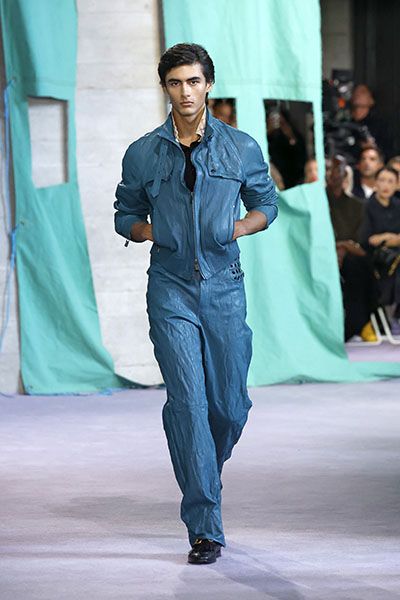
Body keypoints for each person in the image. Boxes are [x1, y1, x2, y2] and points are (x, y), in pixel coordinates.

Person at [113, 43, 278, 565]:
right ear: (164, 87)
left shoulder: (241, 147)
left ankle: (202, 466)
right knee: (187, 402)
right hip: (169, 287)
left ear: (208, 84)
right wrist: (149, 232)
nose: (184, 92)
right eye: (175, 82)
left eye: (193, 81)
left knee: (229, 406)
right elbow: (124, 213)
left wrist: (237, 227)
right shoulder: (143, 152)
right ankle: (205, 526)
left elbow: (266, 203)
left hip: (225, 285)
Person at [326, 155, 377, 341]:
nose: (333, 174)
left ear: (345, 174)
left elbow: (360, 241)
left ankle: (357, 323)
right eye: (329, 169)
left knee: (359, 264)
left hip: (351, 256)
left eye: (337, 169)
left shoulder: (357, 206)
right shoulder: (315, 203)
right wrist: (335, 247)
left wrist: (343, 247)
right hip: (320, 254)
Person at [360, 167, 400, 331]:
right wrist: (392, 238)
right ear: (375, 183)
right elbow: (369, 239)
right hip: (376, 259)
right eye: (382, 180)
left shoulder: (398, 205)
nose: (386, 185)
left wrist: (385, 237)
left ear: (397, 184)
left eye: (390, 181)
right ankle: (393, 311)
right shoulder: (366, 206)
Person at [350, 84, 394, 161]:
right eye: (355, 106)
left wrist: (372, 147)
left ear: (370, 102)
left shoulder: (380, 124)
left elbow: (387, 150)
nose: (358, 110)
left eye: (362, 106)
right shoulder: (346, 120)